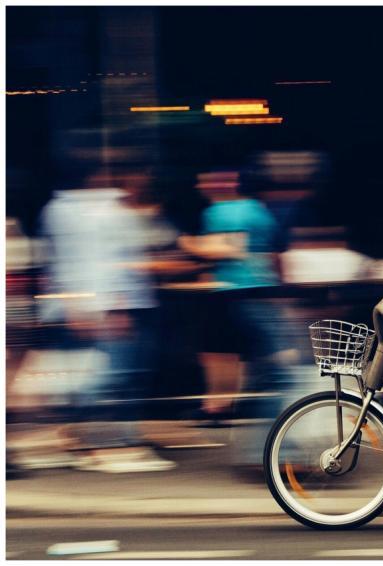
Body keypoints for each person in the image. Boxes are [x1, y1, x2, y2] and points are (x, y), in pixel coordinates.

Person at [38, 166, 175, 473]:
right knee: (111, 376)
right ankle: (97, 443)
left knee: (125, 375)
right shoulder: (87, 210)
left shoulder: (84, 208)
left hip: (123, 303)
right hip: (111, 305)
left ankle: (119, 439)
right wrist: (110, 305)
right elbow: (90, 262)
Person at [178, 168, 293, 474]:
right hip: (259, 291)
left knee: (274, 371)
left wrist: (186, 243)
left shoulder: (221, 212)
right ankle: (260, 443)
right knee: (265, 367)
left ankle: (263, 446)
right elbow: (274, 255)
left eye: (207, 179)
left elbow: (228, 248)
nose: (201, 185)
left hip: (235, 294)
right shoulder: (259, 210)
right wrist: (280, 290)